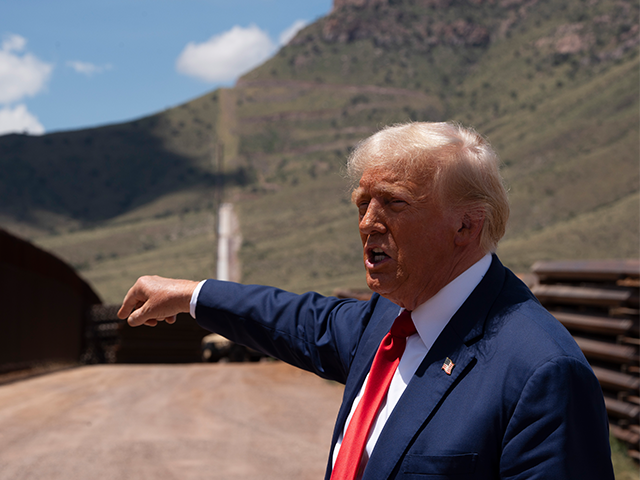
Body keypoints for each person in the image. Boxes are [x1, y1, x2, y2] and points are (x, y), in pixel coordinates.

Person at [118, 122, 614, 479]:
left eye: (394, 203)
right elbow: (297, 320)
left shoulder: (540, 371)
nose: (367, 223)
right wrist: (192, 295)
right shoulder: (389, 319)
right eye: (362, 203)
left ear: (467, 225)